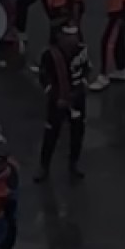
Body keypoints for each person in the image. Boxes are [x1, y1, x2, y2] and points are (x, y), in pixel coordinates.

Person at [33, 25, 90, 182]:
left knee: (77, 131)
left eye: (75, 35)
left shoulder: (82, 51)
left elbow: (86, 70)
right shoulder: (50, 55)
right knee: (51, 132)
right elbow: (44, 78)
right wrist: (54, 95)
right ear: (59, 36)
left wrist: (79, 89)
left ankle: (74, 163)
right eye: (68, 35)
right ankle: (44, 166)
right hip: (57, 99)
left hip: (77, 98)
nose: (73, 39)